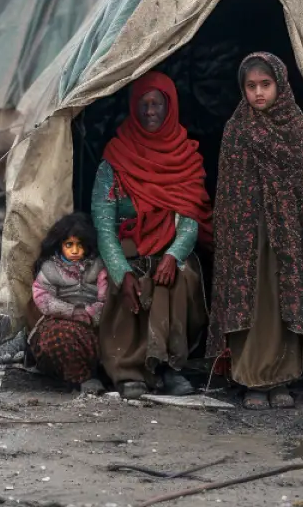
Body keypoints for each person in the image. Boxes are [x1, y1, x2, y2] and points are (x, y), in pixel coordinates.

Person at [206, 52, 303, 410]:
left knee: (282, 300)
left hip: (287, 237)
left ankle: (282, 379)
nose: (259, 93)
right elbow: (228, 194)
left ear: (280, 85)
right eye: (251, 86)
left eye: (266, 84)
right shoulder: (237, 131)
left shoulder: (300, 133)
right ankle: (251, 379)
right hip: (248, 237)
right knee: (252, 301)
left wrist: (294, 227)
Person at [93, 71, 213, 399]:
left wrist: (173, 256)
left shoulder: (185, 158)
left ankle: (170, 368)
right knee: (125, 282)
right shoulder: (114, 161)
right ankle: (127, 371)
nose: (149, 111)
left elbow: (189, 218)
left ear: (169, 107)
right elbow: (104, 226)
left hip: (169, 248)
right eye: (143, 104)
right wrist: (121, 271)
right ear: (133, 107)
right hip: (128, 250)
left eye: (156, 103)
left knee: (180, 279)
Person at [27, 213, 109, 395]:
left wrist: (91, 313)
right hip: (59, 320)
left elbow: (105, 298)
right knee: (59, 336)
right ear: (59, 245)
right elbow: (43, 298)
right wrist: (71, 311)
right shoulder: (50, 268)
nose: (75, 250)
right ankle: (83, 379)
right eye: (69, 245)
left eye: (80, 245)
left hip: (93, 323)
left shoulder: (98, 266)